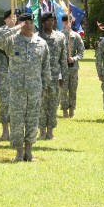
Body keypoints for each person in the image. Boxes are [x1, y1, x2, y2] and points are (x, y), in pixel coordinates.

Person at [0, 13, 50, 162]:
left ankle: (29, 151)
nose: (29, 25)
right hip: (17, 89)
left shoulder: (41, 43)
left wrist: (44, 86)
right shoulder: (12, 41)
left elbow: (46, 68)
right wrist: (15, 27)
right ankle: (18, 152)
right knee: (17, 120)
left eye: (31, 22)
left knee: (32, 120)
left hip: (34, 89)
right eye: (26, 22)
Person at [0, 9, 19, 141]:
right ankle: (5, 131)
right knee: (5, 103)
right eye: (11, 17)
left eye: (16, 17)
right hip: (4, 73)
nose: (14, 20)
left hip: (19, 74)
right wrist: (12, 28)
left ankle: (16, 132)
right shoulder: (0, 32)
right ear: (6, 19)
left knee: (18, 103)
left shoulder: (21, 32)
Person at [37, 12, 67, 140]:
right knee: (41, 105)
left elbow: (63, 59)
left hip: (55, 77)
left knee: (53, 105)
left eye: (52, 20)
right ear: (42, 23)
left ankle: (50, 131)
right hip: (40, 77)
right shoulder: (37, 37)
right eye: (47, 21)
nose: (50, 23)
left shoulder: (60, 37)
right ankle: (42, 131)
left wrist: (63, 77)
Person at [60, 15, 84, 118]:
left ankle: (72, 109)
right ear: (62, 23)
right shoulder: (59, 35)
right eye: (65, 21)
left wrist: (74, 58)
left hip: (73, 67)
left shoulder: (76, 36)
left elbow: (81, 51)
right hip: (63, 67)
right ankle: (64, 109)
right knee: (63, 89)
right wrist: (66, 33)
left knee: (73, 89)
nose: (67, 23)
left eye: (68, 21)